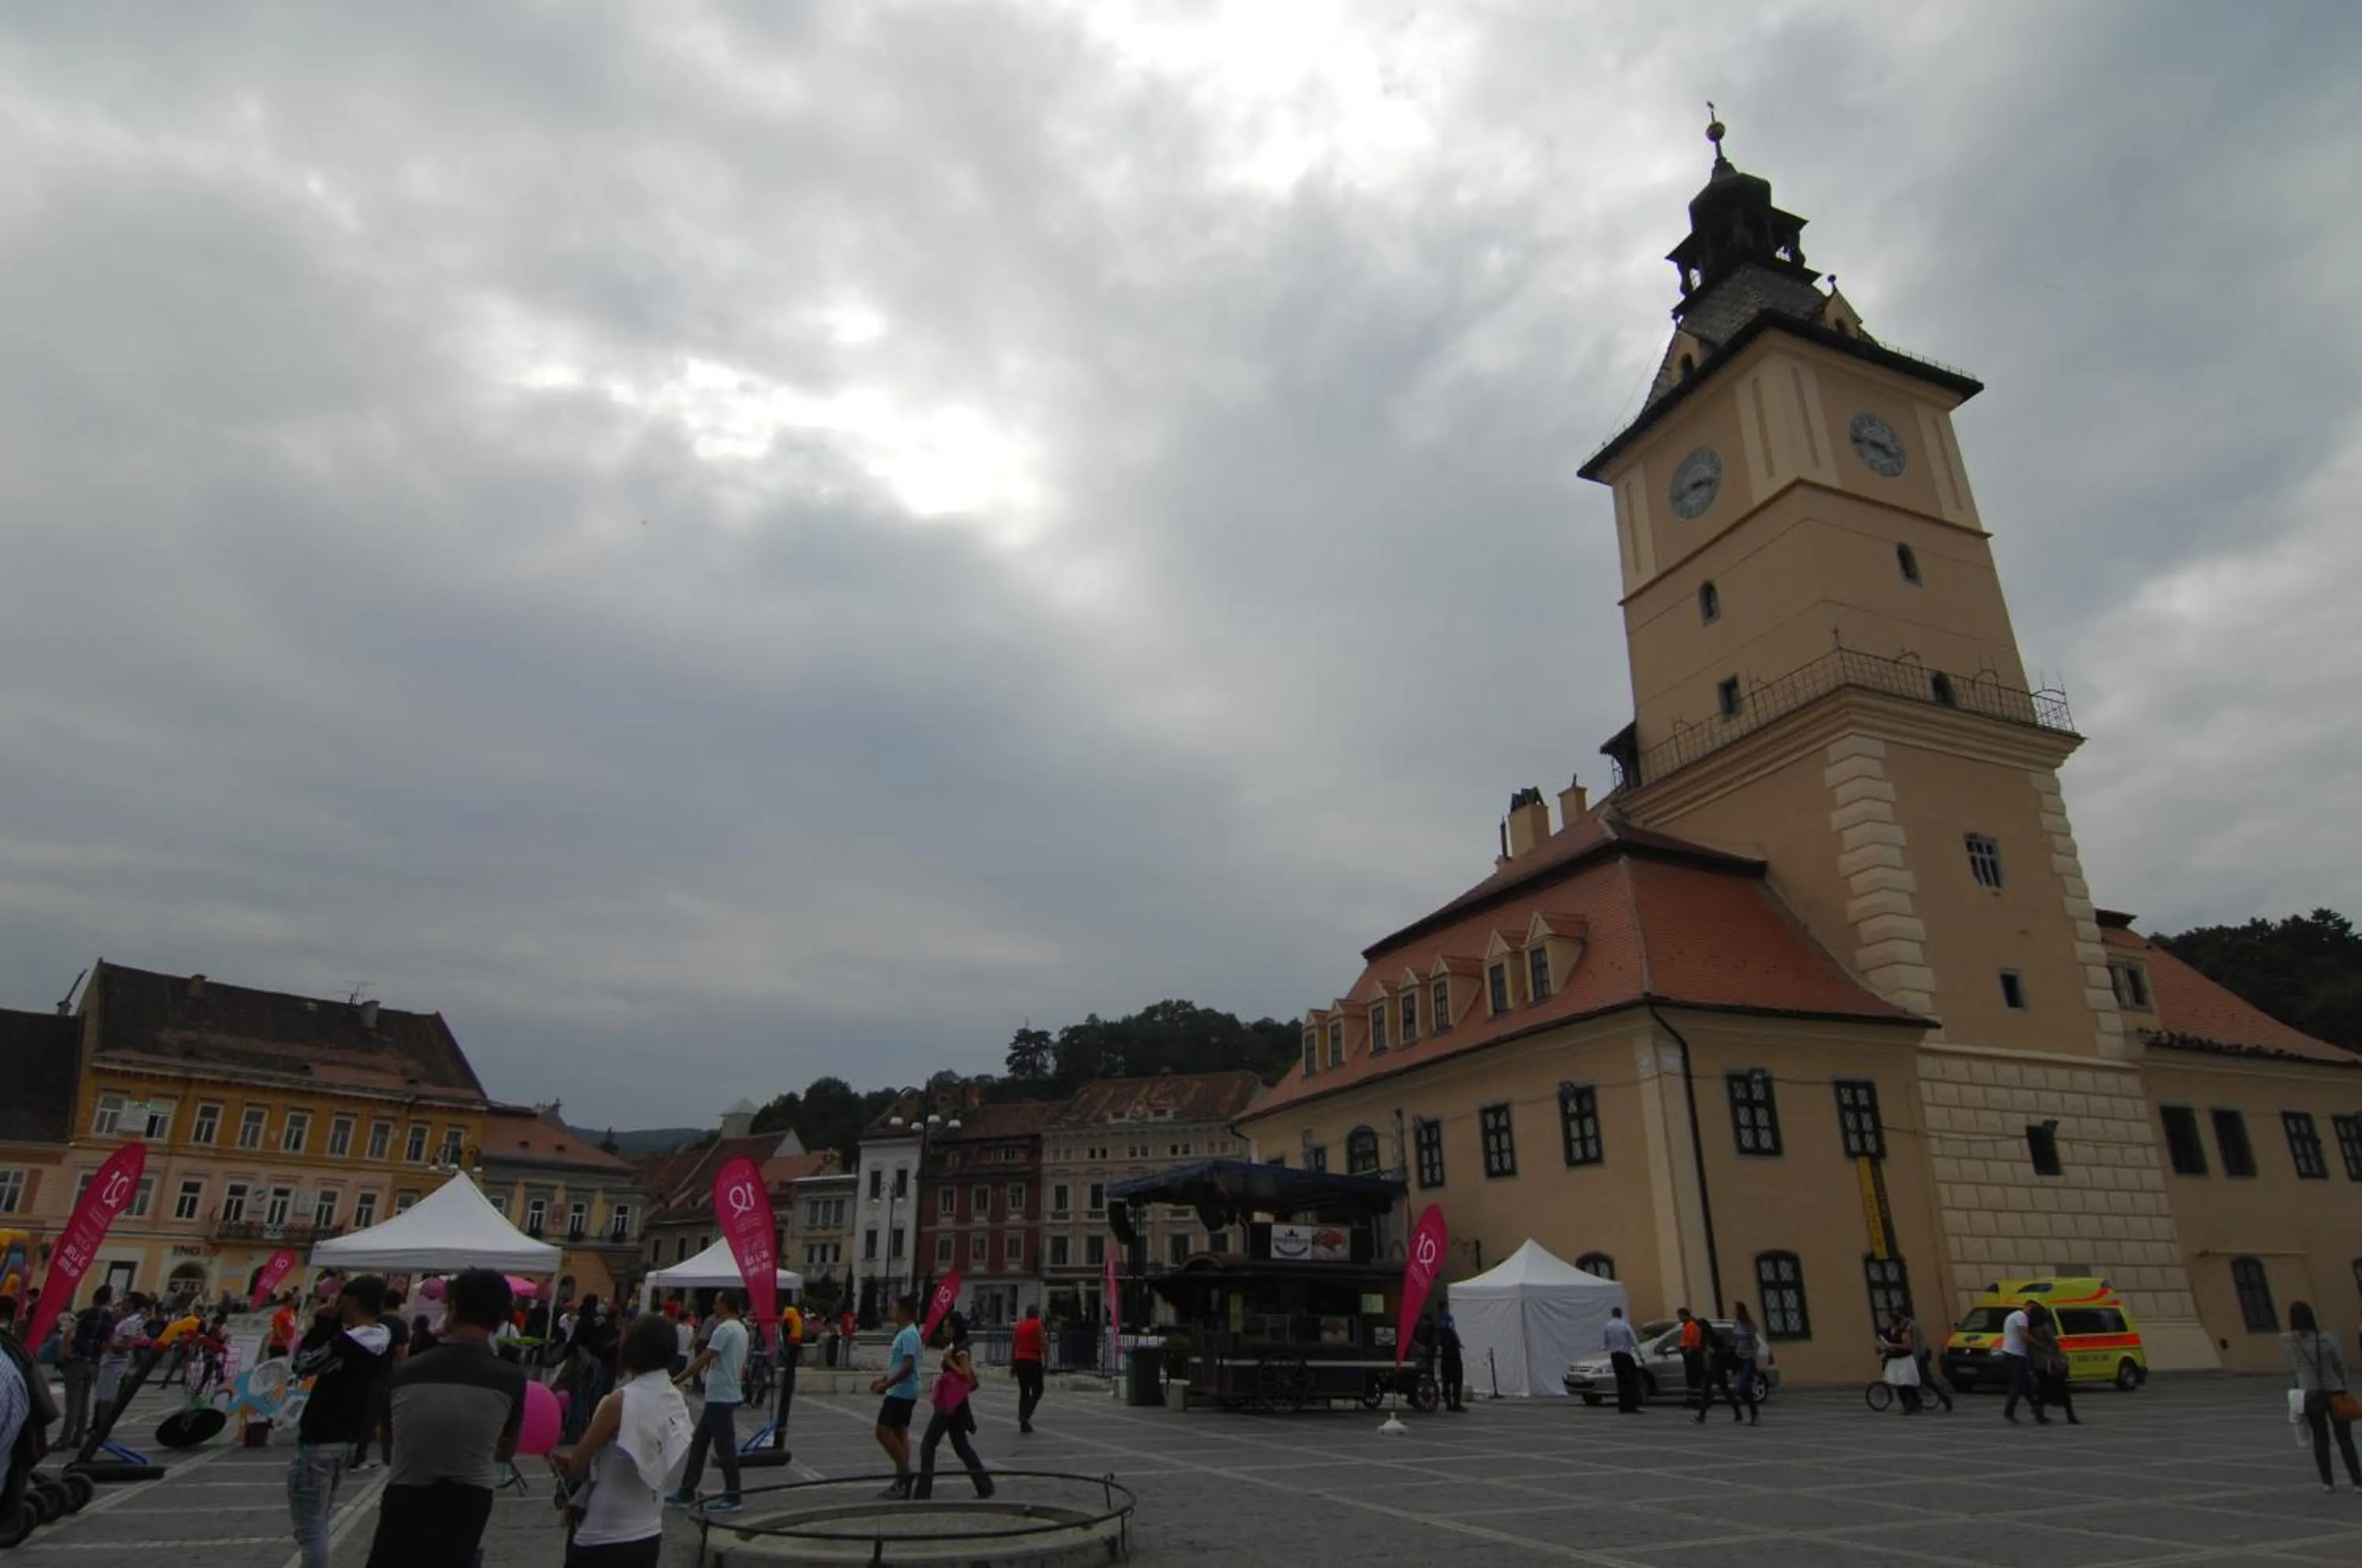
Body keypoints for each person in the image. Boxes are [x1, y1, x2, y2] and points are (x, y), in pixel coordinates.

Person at [364, 1268, 528, 1568]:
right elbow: (506, 1452)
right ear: (501, 1319)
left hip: (405, 1499)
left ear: (452, 1311)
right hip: (469, 1504)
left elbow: (388, 1452)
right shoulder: (511, 1380)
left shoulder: (406, 1372)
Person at [552, 1314, 693, 1567]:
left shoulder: (618, 1402)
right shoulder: (674, 1399)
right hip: (648, 1528)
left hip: (604, 1532)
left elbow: (578, 1465)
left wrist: (564, 1463)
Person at [287, 1276, 393, 1568]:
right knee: (319, 1520)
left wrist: (323, 1325)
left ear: (352, 1301)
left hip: (321, 1437)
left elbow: (303, 1365)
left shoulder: (347, 1343)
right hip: (348, 1438)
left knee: (310, 1528)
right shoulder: (382, 1337)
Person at [665, 1291, 746, 1514]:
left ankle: (733, 1496)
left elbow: (704, 1357)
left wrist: (681, 1377)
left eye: (717, 1302)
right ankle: (687, 1490)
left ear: (726, 1305)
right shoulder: (740, 1329)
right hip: (722, 1394)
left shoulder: (725, 1329)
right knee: (700, 1444)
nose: (714, 1306)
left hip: (721, 1395)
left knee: (725, 1447)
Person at [912, 1312, 993, 1500]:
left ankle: (923, 1491)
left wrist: (949, 1361)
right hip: (954, 1402)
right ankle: (984, 1486)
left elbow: (966, 1374)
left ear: (956, 1328)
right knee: (960, 1445)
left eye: (948, 1326)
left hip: (951, 1403)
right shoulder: (955, 1345)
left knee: (928, 1444)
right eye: (944, 1326)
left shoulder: (961, 1348)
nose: (945, 1329)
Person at [2286, 1300, 2362, 1493]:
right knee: (2345, 1439)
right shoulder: (2327, 1340)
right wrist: (2341, 1385)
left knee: (2320, 1439)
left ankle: (2327, 1483)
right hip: (2335, 1391)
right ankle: (2357, 1482)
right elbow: (2339, 1366)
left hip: (2311, 1394)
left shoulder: (2291, 1343)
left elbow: (2296, 1368)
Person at [870, 1294, 922, 1499]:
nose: (891, 1312)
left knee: (882, 1431)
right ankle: (902, 1479)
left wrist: (887, 1385)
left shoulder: (909, 1334)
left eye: (894, 1308)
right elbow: (898, 1364)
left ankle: (905, 1474)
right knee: (900, 1432)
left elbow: (908, 1366)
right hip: (902, 1390)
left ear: (904, 1312)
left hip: (901, 1392)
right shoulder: (906, 1333)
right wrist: (883, 1379)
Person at [351, 1289, 409, 1472]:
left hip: (361, 1372)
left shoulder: (374, 1320)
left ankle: (351, 1453)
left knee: (359, 1414)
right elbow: (400, 1354)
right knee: (373, 1417)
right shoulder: (399, 1325)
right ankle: (358, 1457)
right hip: (382, 1375)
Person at [57, 1284, 113, 1451]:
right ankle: (78, 1438)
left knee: (73, 1402)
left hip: (78, 1359)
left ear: (94, 1297)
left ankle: (64, 1439)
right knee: (84, 1401)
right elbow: (109, 1343)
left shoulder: (87, 1313)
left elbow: (69, 1331)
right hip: (94, 1362)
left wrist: (66, 1352)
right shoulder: (109, 1318)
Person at [2027, 1304, 2079, 1426]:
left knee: (2042, 1390)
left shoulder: (2029, 1329)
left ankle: (2040, 1414)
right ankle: (2070, 1415)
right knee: (2063, 1390)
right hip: (2050, 1363)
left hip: (2037, 1364)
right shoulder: (2045, 1327)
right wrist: (2061, 1357)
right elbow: (2053, 1344)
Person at [1999, 1302, 2045, 1425]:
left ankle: (2038, 1413)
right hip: (2016, 1355)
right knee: (2019, 1384)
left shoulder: (2014, 1315)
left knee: (2026, 1385)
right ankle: (2009, 1412)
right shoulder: (2022, 1317)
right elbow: (2024, 1336)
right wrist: (2038, 1344)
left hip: (2012, 1353)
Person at [1902, 1303, 1952, 1413]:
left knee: (1925, 1381)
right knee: (1915, 1381)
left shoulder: (1913, 1326)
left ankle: (1945, 1399)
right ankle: (1916, 1403)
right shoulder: (1908, 1326)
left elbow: (1917, 1344)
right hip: (1917, 1356)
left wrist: (1916, 1359)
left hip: (1920, 1357)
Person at [1877, 1310, 1923, 1414]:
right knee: (1898, 1384)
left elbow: (1908, 1346)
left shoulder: (1903, 1332)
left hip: (1904, 1360)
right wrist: (1882, 1349)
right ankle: (1913, 1403)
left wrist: (1893, 1346)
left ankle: (1909, 1405)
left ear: (1894, 1321)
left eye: (1889, 1320)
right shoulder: (1888, 1331)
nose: (1887, 1321)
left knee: (1905, 1383)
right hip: (1894, 1360)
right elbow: (1885, 1343)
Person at [1012, 1305, 1046, 1433]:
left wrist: (1013, 1364)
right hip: (1033, 1360)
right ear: (1037, 1314)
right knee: (1038, 1390)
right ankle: (1025, 1415)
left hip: (1020, 1359)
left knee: (1024, 1391)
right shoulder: (1037, 1325)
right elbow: (1044, 1343)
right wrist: (1047, 1360)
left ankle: (1024, 1422)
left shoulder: (1019, 1326)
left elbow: (1014, 1345)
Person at [1603, 1307, 1644, 1414]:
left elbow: (1606, 1342)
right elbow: (1634, 1342)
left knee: (1620, 1381)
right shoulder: (1625, 1326)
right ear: (1621, 1314)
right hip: (1625, 1355)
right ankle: (1631, 1405)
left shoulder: (1608, 1326)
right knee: (1630, 1381)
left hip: (1615, 1356)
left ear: (1612, 1314)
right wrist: (1641, 1356)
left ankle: (1623, 1405)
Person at [1727, 1302, 1763, 1426]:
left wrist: (1755, 1357)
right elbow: (1734, 1341)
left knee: (1744, 1385)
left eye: (1735, 1310)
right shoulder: (1736, 1324)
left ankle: (1755, 1414)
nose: (1734, 1312)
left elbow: (1755, 1342)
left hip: (1748, 1358)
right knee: (1742, 1388)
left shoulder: (1749, 1325)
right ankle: (1753, 1414)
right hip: (1739, 1358)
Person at [1438, 1312, 1467, 1411]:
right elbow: (1452, 1329)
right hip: (1453, 1350)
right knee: (1457, 1377)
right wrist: (1459, 1342)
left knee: (1446, 1378)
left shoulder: (1437, 1320)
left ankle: (1448, 1402)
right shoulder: (1448, 1318)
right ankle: (1456, 1403)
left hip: (1445, 1351)